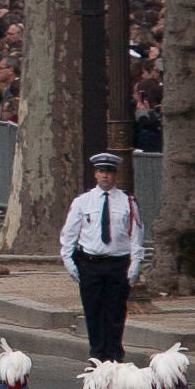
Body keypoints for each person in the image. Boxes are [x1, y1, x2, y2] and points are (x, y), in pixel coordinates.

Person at [60, 150, 144, 362]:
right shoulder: (83, 202)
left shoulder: (128, 202)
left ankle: (115, 355)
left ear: (115, 175)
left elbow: (136, 234)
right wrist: (68, 259)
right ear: (95, 175)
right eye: (100, 171)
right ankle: (97, 354)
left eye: (109, 172)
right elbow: (70, 232)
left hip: (118, 263)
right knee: (93, 310)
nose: (105, 175)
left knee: (116, 311)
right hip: (91, 263)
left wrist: (136, 263)